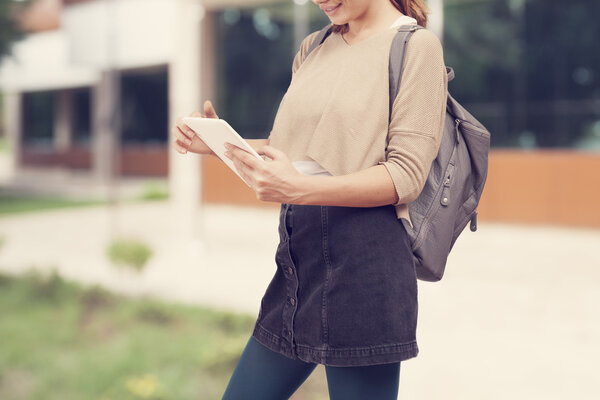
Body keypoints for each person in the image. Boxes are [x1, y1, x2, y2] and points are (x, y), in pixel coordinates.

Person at [172, 0, 448, 398]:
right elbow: (294, 153)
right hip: (298, 258)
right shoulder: (313, 47)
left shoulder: (416, 47)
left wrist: (297, 190)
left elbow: (406, 176)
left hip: (366, 265)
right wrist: (218, 143)